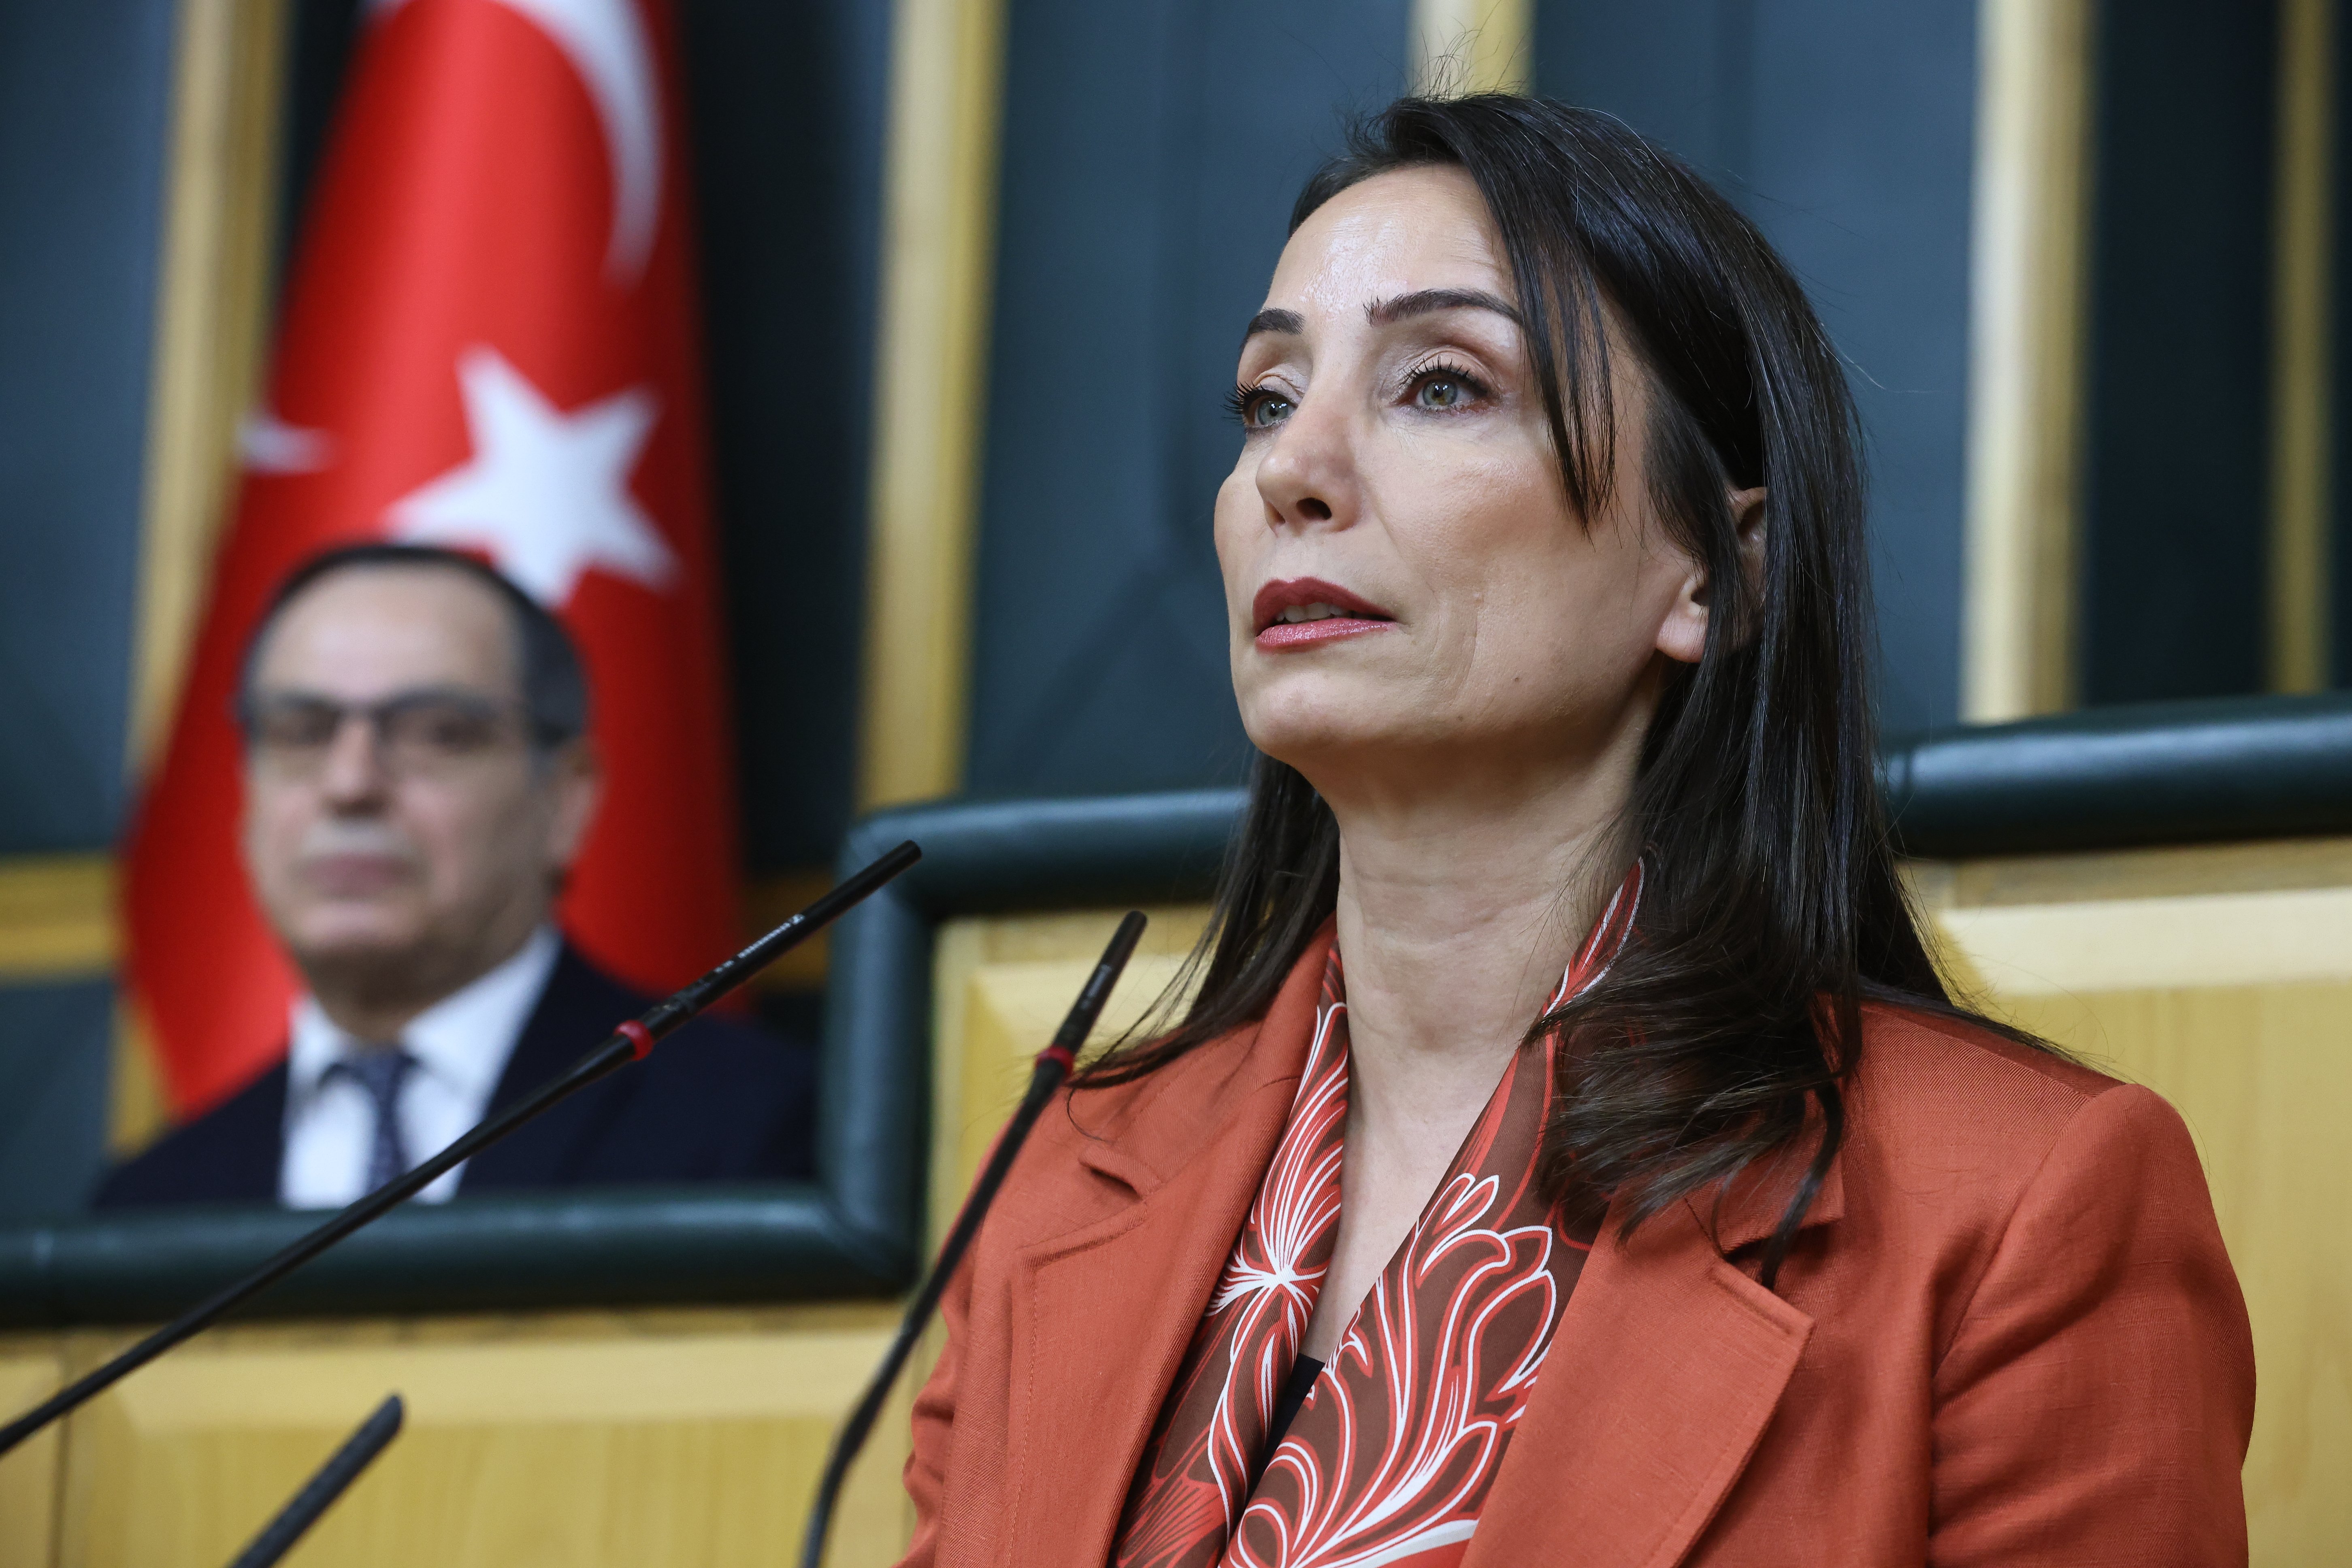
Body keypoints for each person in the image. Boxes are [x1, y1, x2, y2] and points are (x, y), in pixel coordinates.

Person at [896, 98, 2253, 1567]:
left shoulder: (2020, 1212)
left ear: (1712, 574)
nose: (1291, 471)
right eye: (1266, 399)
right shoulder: (1059, 1184)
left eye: (1440, 386)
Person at [96, 543, 815, 1209]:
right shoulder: (147, 1204)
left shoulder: (754, 1131)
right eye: (303, 732)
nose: (350, 784)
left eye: (438, 733)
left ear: (565, 800)